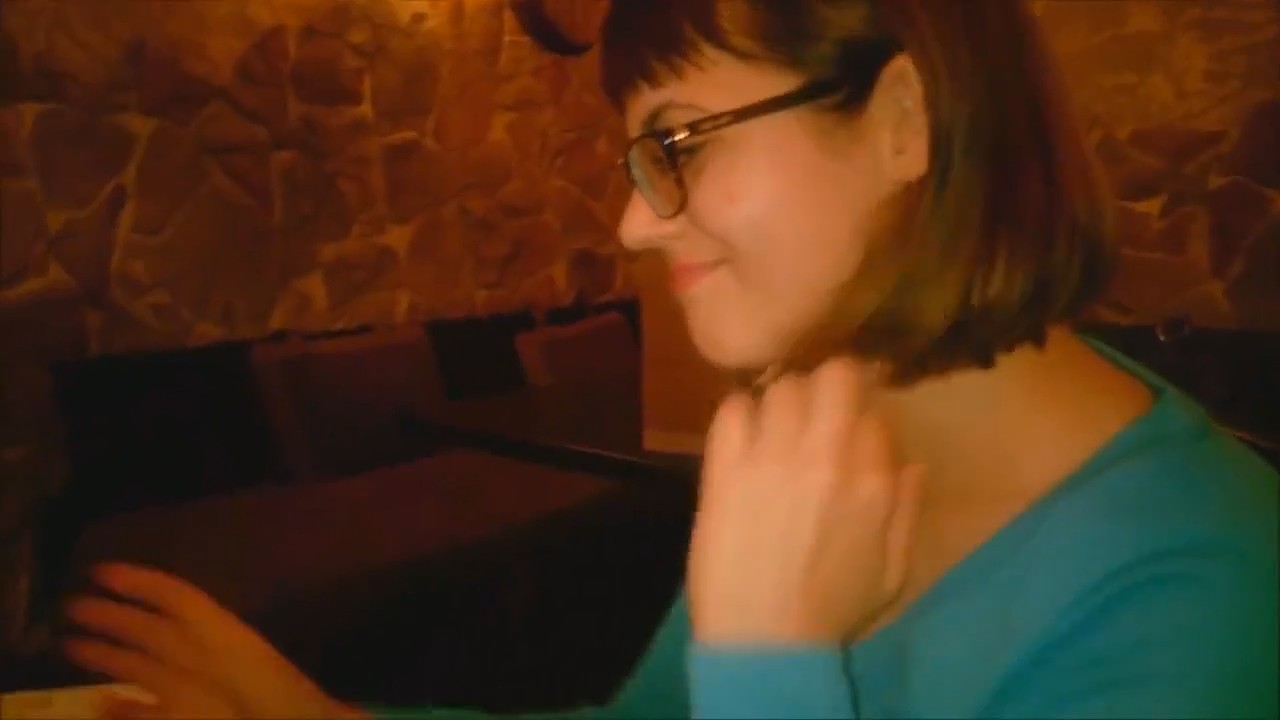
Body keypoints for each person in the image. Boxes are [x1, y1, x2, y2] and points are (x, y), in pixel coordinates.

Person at [62, 0, 1278, 718]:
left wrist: (772, 659)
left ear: (905, 121)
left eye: (678, 140)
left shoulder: (1205, 589)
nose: (633, 224)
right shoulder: (813, 454)